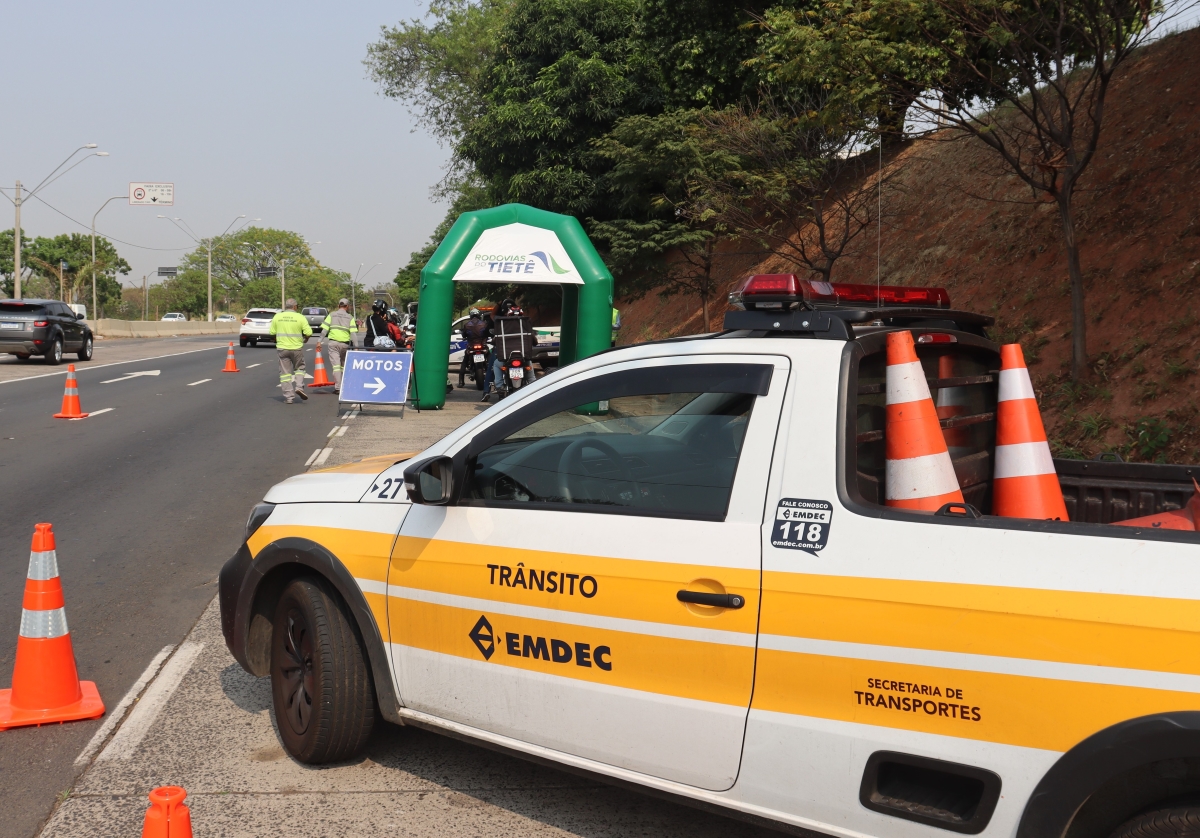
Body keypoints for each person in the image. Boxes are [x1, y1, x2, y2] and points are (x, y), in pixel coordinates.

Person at [269, 298, 313, 404]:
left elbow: (272, 333)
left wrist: (277, 341)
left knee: (285, 374)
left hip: (282, 349)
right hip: (297, 348)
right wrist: (306, 339)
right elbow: (309, 332)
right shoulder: (300, 317)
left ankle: (289, 397)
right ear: (295, 307)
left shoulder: (277, 316)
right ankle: (299, 387)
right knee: (300, 369)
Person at [320, 298, 357, 393]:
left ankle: (338, 388)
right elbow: (353, 334)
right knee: (343, 366)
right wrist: (356, 347)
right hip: (345, 345)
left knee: (336, 366)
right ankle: (344, 386)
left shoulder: (331, 315)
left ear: (338, 305)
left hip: (333, 343)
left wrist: (319, 341)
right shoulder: (350, 317)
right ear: (347, 306)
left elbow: (324, 330)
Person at [459, 308, 490, 387]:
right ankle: (493, 377)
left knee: (464, 362)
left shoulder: (467, 324)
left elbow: (464, 335)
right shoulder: (484, 324)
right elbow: (488, 333)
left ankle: (461, 382)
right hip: (482, 345)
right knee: (490, 360)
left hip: (471, 346)